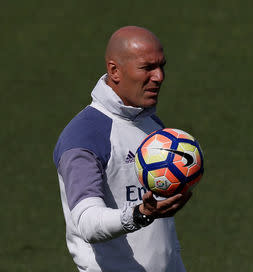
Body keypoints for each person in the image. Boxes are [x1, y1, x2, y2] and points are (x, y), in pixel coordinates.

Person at [53, 26, 192, 272]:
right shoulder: (85, 137)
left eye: (161, 66)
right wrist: (139, 214)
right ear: (114, 71)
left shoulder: (150, 124)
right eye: (147, 68)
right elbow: (87, 222)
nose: (159, 76)